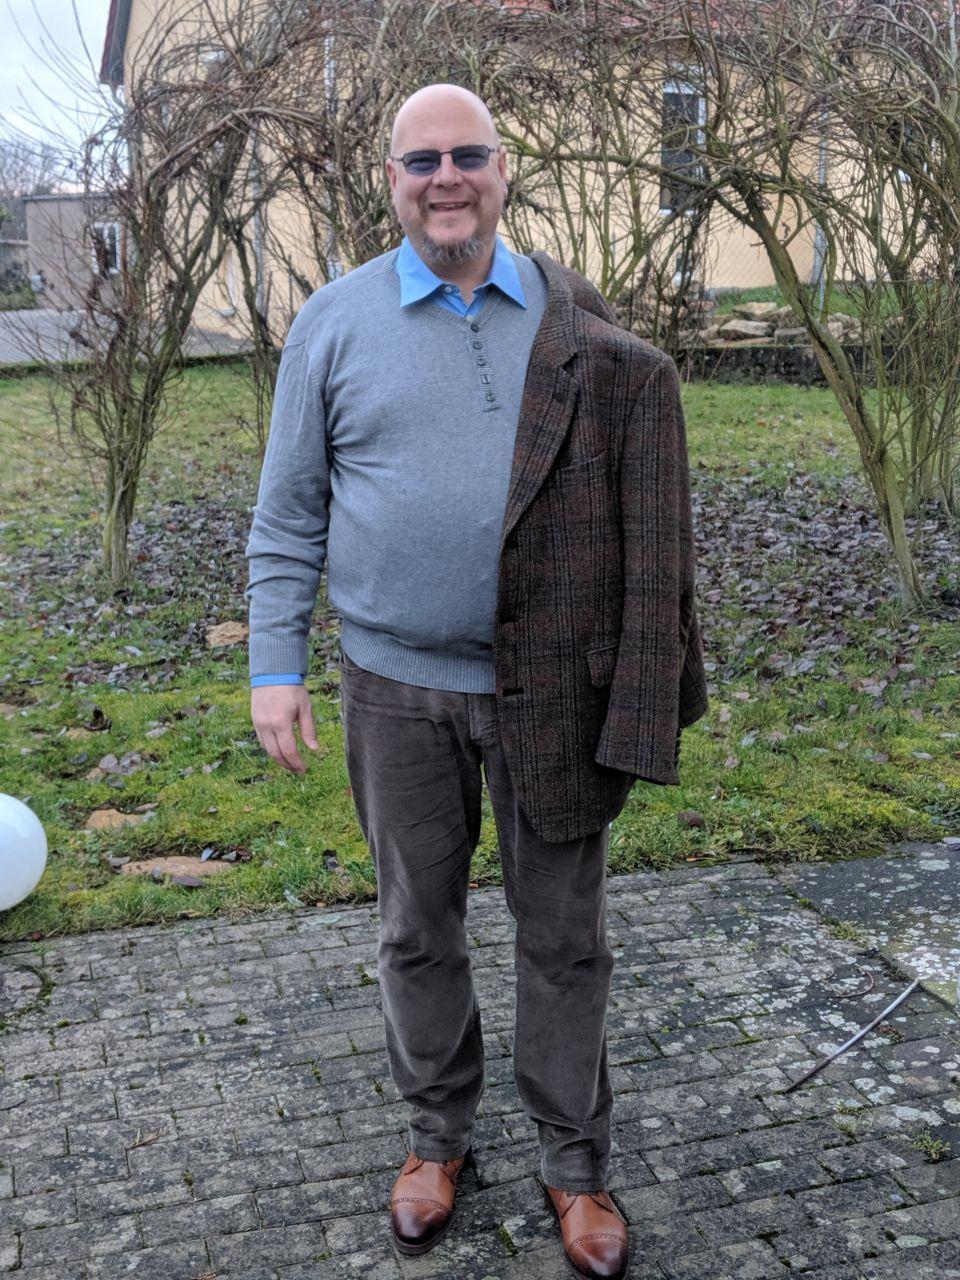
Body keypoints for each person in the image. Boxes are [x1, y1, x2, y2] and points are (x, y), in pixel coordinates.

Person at [245, 82, 708, 1280]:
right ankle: (436, 1135)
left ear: (503, 171)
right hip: (393, 687)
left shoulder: (572, 311)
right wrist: (275, 664)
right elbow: (288, 512)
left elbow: (637, 493)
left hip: (552, 682)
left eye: (468, 156)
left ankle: (574, 1158)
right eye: (421, 161)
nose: (445, 179)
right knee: (417, 927)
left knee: (565, 934)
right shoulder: (334, 322)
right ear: (391, 181)